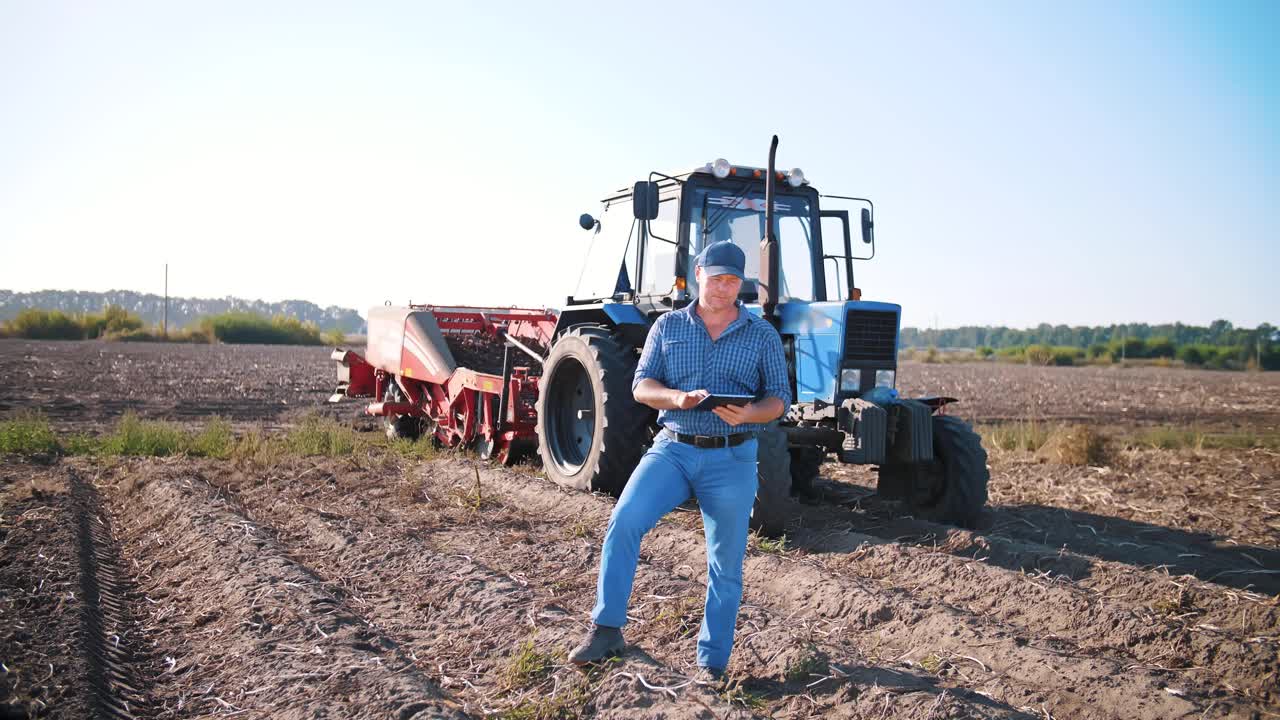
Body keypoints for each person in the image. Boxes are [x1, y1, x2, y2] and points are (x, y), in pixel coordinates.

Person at [567, 240, 791, 684]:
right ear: (698, 274)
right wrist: (677, 398)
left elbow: (779, 400)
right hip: (674, 448)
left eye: (733, 280)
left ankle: (712, 662)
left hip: (733, 457)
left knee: (726, 563)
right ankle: (607, 629)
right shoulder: (668, 326)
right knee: (625, 520)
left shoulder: (761, 333)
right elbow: (640, 386)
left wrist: (748, 413)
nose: (724, 287)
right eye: (717, 277)